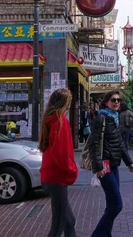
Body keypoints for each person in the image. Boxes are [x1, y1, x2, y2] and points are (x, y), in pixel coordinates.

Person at [90, 90, 133, 237]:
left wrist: (129, 163)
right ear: (106, 102)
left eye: (118, 100)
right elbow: (94, 143)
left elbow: (120, 144)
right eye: (113, 100)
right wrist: (98, 167)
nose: (116, 102)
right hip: (105, 166)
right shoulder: (102, 117)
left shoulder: (114, 117)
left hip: (114, 165)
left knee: (111, 204)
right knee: (117, 205)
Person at [39, 89, 78, 237]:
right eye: (68, 102)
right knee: (58, 225)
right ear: (64, 103)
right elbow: (61, 152)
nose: (69, 106)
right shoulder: (60, 121)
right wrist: (71, 170)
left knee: (69, 221)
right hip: (57, 176)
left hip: (50, 174)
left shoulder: (49, 119)